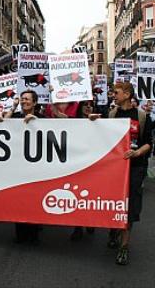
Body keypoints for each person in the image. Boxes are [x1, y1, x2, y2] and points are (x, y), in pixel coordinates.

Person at [104, 82, 153, 266]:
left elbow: (148, 143)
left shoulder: (141, 116)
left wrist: (137, 153)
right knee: (113, 202)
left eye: (116, 93)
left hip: (135, 167)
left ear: (127, 94)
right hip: (114, 168)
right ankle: (113, 231)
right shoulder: (111, 114)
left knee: (129, 206)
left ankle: (124, 246)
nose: (113, 95)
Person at [0, 90, 41, 243]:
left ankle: (34, 232)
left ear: (35, 102)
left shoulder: (42, 118)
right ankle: (20, 232)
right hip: (17, 165)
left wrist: (36, 121)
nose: (24, 102)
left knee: (34, 199)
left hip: (35, 166)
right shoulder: (16, 116)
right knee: (19, 199)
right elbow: (4, 124)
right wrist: (13, 107)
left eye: (27, 99)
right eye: (22, 99)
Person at [69, 100, 97, 241]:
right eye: (85, 104)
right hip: (77, 165)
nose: (88, 106)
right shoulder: (73, 122)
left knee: (90, 196)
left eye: (90, 104)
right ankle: (78, 227)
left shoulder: (100, 122)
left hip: (93, 165)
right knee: (77, 196)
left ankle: (90, 221)